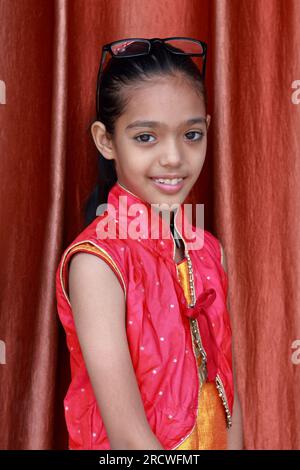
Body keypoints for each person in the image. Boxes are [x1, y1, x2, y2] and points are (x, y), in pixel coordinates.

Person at [55, 37, 244, 450]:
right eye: (146, 138)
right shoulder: (98, 264)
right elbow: (128, 438)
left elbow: (228, 397)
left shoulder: (209, 251)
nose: (174, 157)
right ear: (106, 141)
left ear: (208, 129)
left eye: (191, 134)